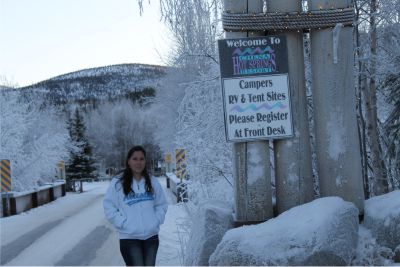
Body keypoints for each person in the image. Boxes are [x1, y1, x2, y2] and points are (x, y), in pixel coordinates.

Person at [103, 145, 168, 266]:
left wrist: (156, 220)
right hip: (129, 237)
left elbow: (161, 204)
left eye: (141, 159)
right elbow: (109, 206)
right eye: (135, 159)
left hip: (151, 237)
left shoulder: (152, 181)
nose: (138, 162)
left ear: (145, 161)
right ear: (128, 161)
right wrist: (123, 223)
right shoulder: (118, 183)